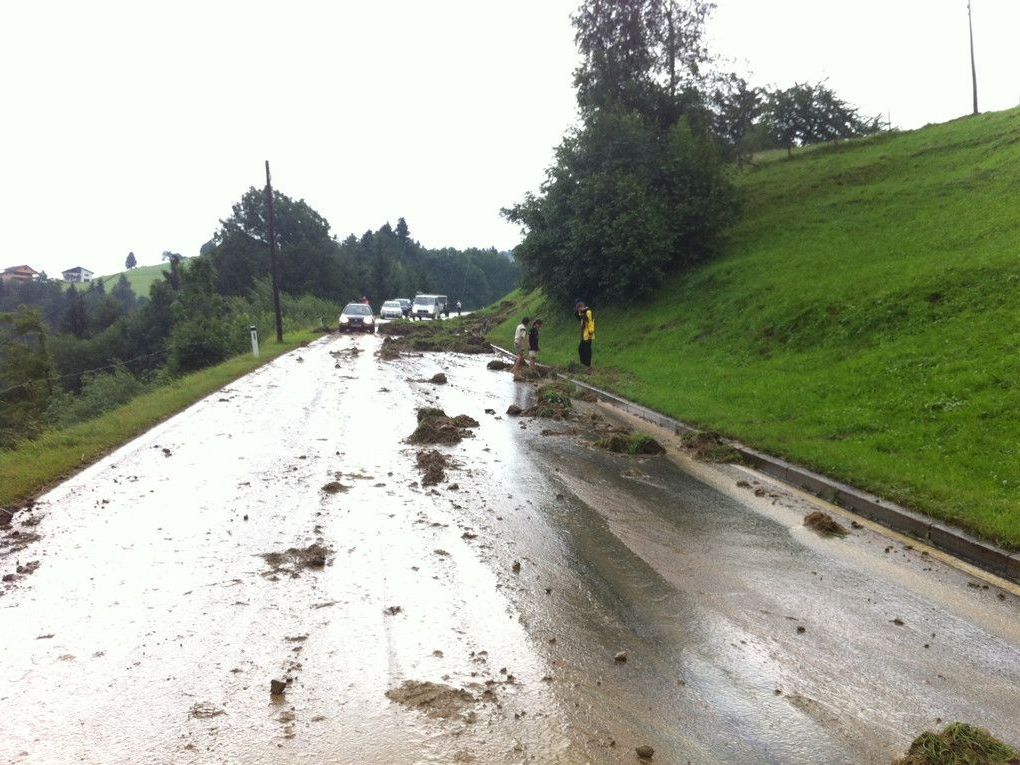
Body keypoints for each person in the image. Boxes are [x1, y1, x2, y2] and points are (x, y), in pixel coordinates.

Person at [575, 301, 595, 373]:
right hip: (584, 335)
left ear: (581, 307)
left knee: (586, 350)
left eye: (578, 309)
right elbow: (577, 316)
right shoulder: (584, 313)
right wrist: (579, 311)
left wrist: (590, 334)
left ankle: (588, 366)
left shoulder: (588, 312)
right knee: (582, 349)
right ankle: (584, 365)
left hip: (588, 334)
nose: (578, 311)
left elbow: (590, 323)